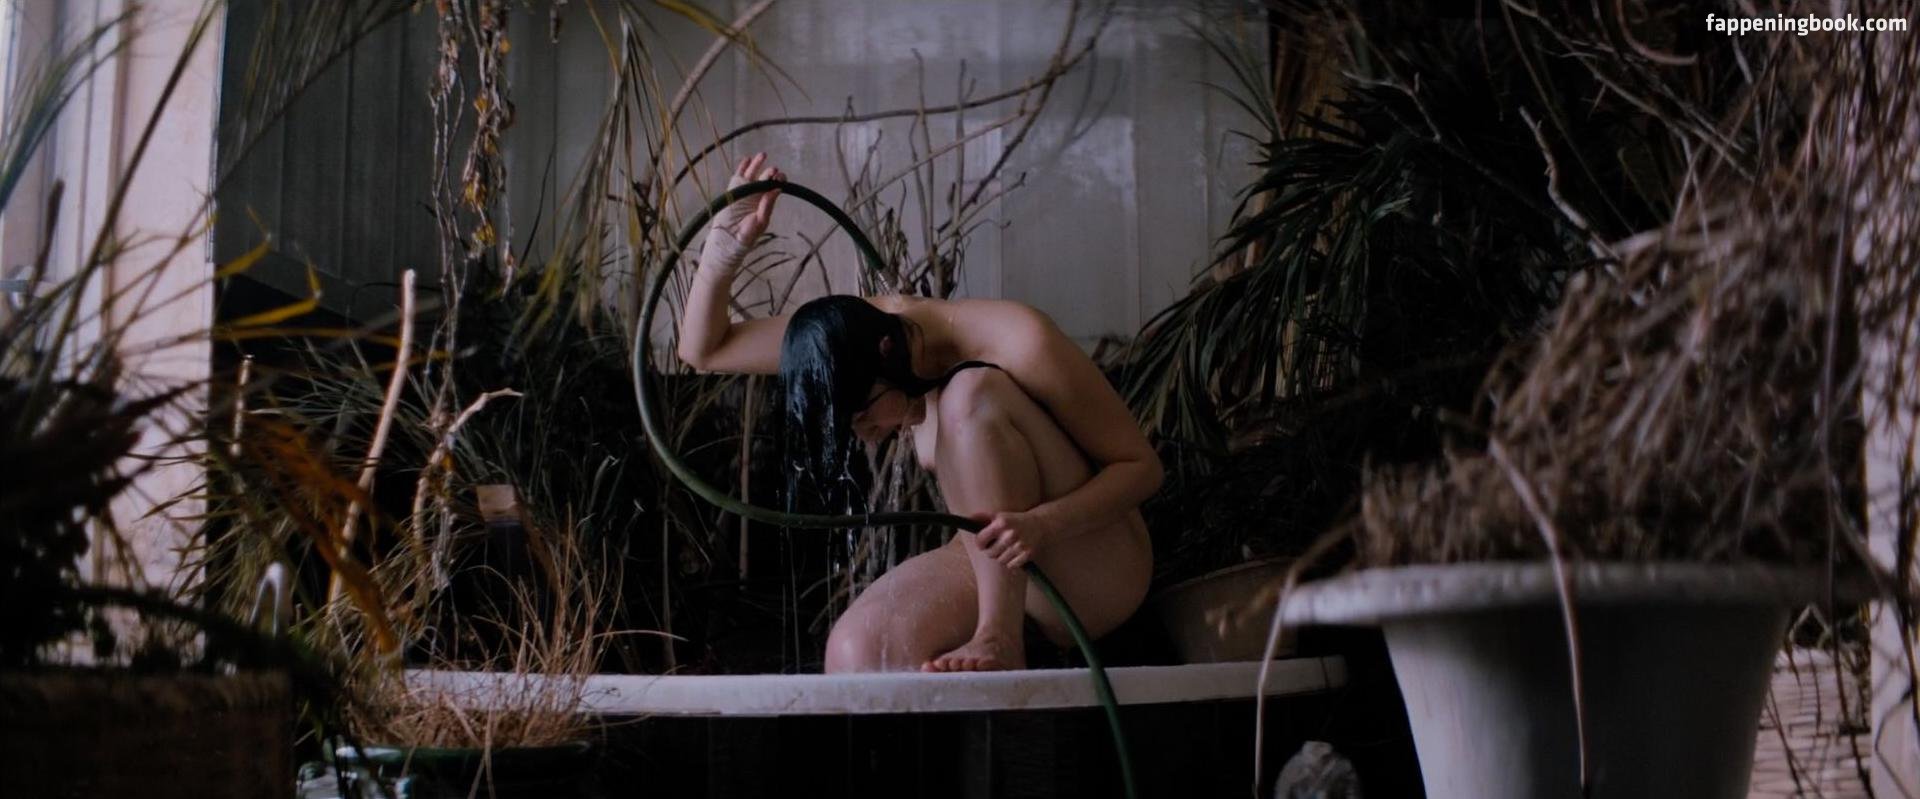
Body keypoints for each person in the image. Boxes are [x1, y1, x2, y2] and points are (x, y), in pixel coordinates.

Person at [677, 153, 1160, 673]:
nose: (869, 435)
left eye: (865, 416)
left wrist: (1043, 525)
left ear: (887, 353)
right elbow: (703, 350)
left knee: (969, 394)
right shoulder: (849, 344)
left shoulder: (1019, 341)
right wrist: (723, 249)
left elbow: (1142, 469)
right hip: (997, 558)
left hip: (1093, 565)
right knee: (859, 653)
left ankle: (999, 637)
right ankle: (990, 651)